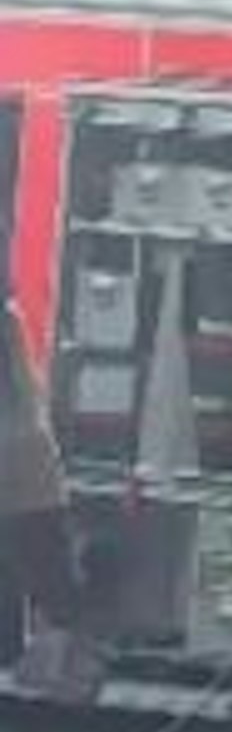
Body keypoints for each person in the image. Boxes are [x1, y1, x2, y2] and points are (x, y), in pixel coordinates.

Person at [0, 299, 99, 702]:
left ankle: (67, 670)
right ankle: (61, 666)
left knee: (45, 573)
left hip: (23, 472)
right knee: (45, 573)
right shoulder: (10, 320)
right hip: (32, 470)